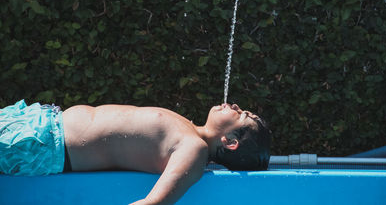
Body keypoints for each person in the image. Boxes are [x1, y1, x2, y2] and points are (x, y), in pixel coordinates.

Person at [0, 99, 271, 204]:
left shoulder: (194, 149)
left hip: (43, 144)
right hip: (40, 122)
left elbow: (154, 202)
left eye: (241, 114)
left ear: (230, 142)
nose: (235, 105)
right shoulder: (188, 129)